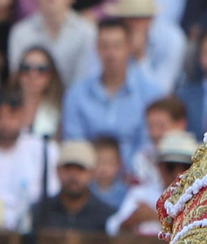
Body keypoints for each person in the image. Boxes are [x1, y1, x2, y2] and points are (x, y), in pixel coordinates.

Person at [62, 17, 157, 158]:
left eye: (117, 46)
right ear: (97, 48)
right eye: (105, 46)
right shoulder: (76, 94)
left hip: (135, 176)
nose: (111, 53)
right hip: (88, 174)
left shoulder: (151, 94)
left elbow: (148, 144)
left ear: (129, 47)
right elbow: (75, 144)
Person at [0, 86, 58, 231]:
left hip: (32, 231)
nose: (4, 122)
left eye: (12, 115)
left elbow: (53, 196)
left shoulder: (44, 149)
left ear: (23, 116)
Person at [107, 128, 195, 234]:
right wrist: (132, 219)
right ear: (159, 166)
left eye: (186, 166)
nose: (178, 173)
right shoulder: (140, 194)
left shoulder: (201, 197)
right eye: (170, 166)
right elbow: (112, 228)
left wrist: (157, 217)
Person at [7, 0, 94, 88]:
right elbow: (17, 78)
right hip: (34, 99)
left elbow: (86, 78)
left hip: (74, 99)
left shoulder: (87, 33)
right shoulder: (20, 32)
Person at [31, 138, 114, 230]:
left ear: (92, 173)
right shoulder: (38, 212)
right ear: (57, 171)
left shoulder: (107, 217)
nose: (73, 175)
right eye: (68, 168)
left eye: (80, 169)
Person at [110, 0, 184, 98]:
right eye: (129, 18)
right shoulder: (112, 38)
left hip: (157, 108)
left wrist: (140, 56)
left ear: (151, 18)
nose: (133, 24)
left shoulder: (172, 39)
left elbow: (160, 93)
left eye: (139, 18)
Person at [9, 46, 65, 138]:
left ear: (51, 75)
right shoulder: (3, 106)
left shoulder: (62, 109)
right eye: (26, 68)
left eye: (41, 69)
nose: (33, 75)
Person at [89, 133, 128, 205]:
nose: (104, 167)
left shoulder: (126, 194)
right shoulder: (86, 192)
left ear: (119, 164)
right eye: (99, 162)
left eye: (109, 162)